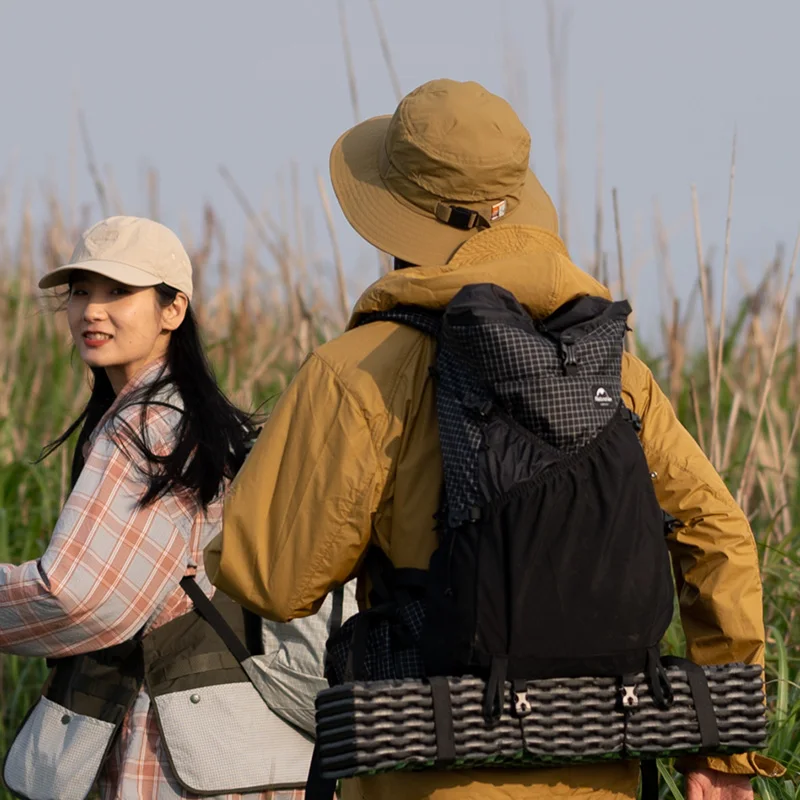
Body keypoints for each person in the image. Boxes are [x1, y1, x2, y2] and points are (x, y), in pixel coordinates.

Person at [206, 80, 784, 800]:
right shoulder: (612, 369)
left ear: (398, 219)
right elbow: (718, 531)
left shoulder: (356, 371)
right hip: (604, 771)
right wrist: (722, 753)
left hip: (422, 763)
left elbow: (272, 579)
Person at [0, 216, 306, 800]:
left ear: (173, 310)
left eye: (118, 292)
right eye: (81, 292)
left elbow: (80, 597)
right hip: (241, 748)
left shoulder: (148, 426)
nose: (92, 310)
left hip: (171, 752)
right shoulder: (203, 421)